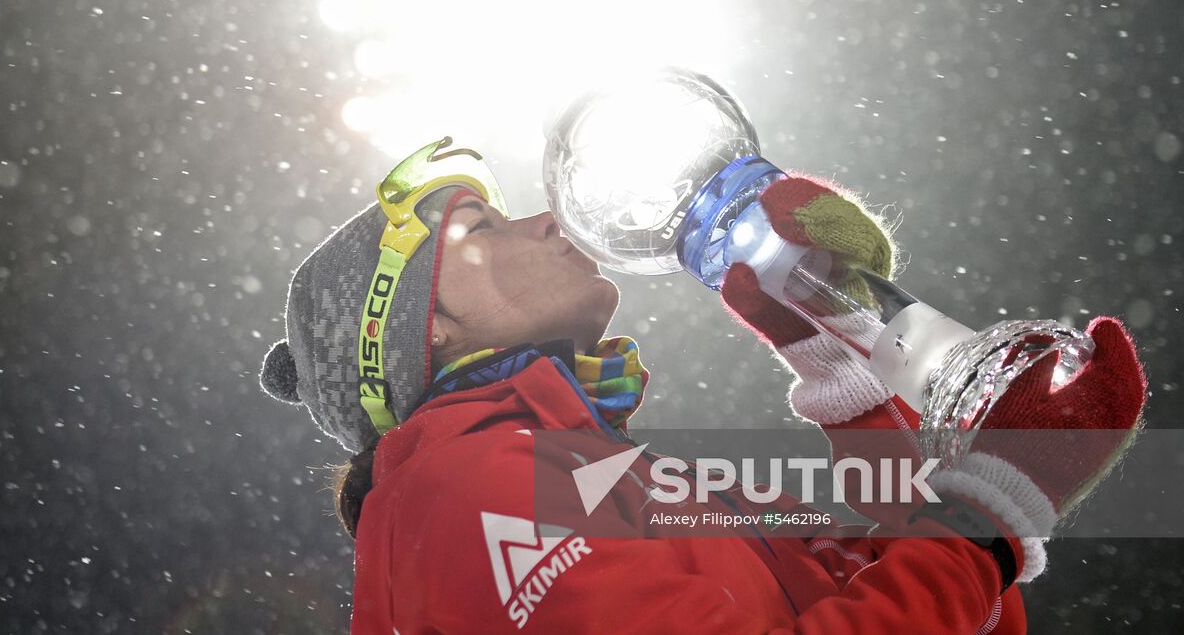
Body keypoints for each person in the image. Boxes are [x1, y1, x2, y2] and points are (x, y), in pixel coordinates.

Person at [260, 137, 1146, 633]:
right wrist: (986, 516)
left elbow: (926, 603)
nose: (543, 219)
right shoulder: (464, 489)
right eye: (483, 227)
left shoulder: (589, 472)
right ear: (428, 325)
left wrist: (842, 362)